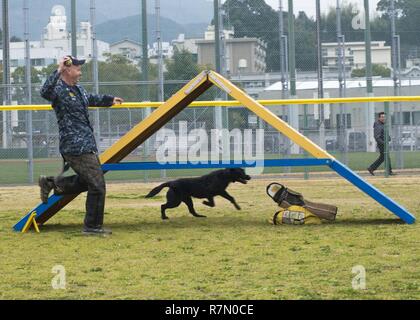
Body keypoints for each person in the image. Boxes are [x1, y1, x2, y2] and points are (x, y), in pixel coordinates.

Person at [39, 55, 124, 235]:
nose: (80, 71)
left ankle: (53, 183)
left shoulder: (78, 89)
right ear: (68, 70)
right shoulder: (58, 90)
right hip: (75, 146)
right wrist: (58, 69)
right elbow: (44, 91)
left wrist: (109, 100)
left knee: (89, 181)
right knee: (97, 185)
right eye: (77, 67)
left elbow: (91, 98)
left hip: (85, 143)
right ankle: (92, 227)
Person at [367, 112, 395, 176]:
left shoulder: (382, 124)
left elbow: (384, 133)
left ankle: (371, 168)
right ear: (379, 118)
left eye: (384, 117)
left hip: (383, 143)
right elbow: (377, 136)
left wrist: (388, 138)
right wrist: (383, 143)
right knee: (386, 157)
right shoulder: (378, 125)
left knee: (383, 157)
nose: (383, 118)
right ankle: (389, 171)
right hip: (382, 144)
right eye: (382, 117)